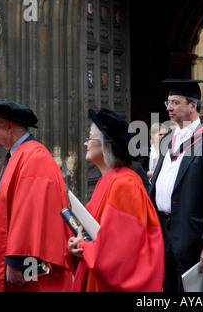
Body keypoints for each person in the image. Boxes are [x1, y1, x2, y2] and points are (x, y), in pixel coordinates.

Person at [0, 101, 73, 292]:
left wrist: (19, 261)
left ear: (10, 126)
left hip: (27, 264)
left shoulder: (34, 156)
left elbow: (29, 212)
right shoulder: (18, 154)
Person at [149, 79, 203, 292]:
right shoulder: (168, 139)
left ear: (192, 106)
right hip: (164, 230)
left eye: (175, 102)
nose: (169, 107)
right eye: (167, 102)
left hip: (193, 235)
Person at [68, 108, 164, 292]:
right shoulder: (109, 180)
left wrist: (84, 246)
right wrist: (74, 245)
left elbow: (118, 256)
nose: (85, 143)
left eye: (90, 138)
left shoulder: (125, 185)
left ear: (108, 145)